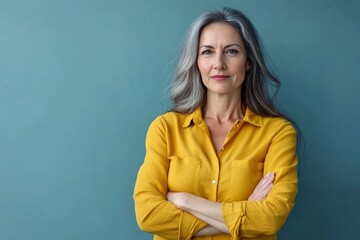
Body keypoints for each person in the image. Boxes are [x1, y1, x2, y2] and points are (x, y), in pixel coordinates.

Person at [134, 7, 298, 240]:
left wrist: (185, 201)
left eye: (231, 52)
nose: (218, 63)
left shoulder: (277, 134)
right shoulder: (165, 129)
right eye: (207, 52)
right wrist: (244, 212)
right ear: (196, 61)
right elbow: (147, 214)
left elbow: (270, 218)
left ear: (248, 62)